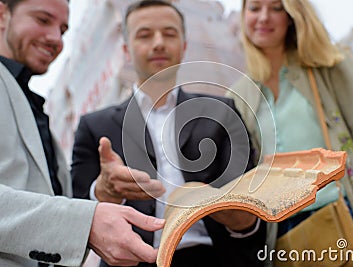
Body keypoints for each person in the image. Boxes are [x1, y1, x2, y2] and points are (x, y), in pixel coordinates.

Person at [71, 1, 267, 267]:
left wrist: (238, 214)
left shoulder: (222, 112)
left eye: (170, 33)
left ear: (184, 46)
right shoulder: (94, 127)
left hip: (214, 258)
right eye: (145, 35)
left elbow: (252, 217)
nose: (159, 43)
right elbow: (75, 213)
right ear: (126, 49)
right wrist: (103, 190)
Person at [226, 0, 353, 266]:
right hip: (286, 239)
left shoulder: (327, 66)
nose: (263, 17)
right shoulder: (237, 97)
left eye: (276, 8)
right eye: (254, 8)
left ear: (293, 16)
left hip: (351, 221)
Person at [0, 0, 165, 266]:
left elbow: (49, 202)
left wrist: (103, 194)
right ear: (2, 13)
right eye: (42, 20)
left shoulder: (33, 105)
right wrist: (86, 222)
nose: (55, 38)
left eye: (63, 29)